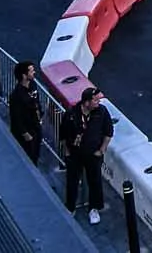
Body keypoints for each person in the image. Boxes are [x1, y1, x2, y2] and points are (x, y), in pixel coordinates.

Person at [60, 86, 113, 225]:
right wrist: (67, 151)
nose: (98, 103)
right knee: (72, 181)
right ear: (86, 102)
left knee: (95, 181)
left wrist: (101, 150)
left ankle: (93, 208)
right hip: (75, 154)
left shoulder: (101, 112)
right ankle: (70, 207)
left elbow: (108, 132)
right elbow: (63, 133)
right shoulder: (72, 114)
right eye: (95, 100)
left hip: (93, 154)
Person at [9, 60, 43, 164]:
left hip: (36, 127)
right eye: (31, 71)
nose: (34, 72)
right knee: (28, 157)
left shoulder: (33, 85)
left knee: (36, 154)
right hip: (27, 131)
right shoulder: (16, 96)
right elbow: (16, 117)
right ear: (24, 75)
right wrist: (25, 133)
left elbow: (36, 102)